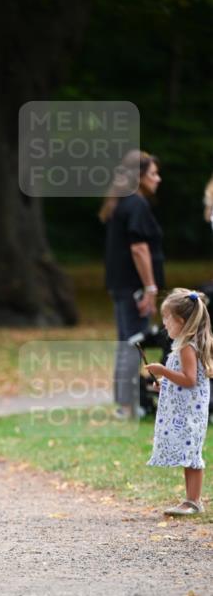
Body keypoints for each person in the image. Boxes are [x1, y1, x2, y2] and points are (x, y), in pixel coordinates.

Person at [100, 150, 164, 419]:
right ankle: (128, 406)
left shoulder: (121, 204)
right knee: (133, 342)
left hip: (120, 286)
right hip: (133, 287)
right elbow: (139, 248)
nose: (158, 179)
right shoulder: (136, 205)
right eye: (152, 174)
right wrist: (149, 287)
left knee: (126, 342)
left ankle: (125, 404)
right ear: (138, 177)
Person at [146, 289, 213, 515]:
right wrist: (165, 384)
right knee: (189, 454)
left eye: (167, 318)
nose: (164, 324)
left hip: (189, 413)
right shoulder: (185, 345)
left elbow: (190, 379)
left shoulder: (186, 347)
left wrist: (162, 370)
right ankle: (190, 500)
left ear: (181, 321)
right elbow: (183, 379)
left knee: (192, 455)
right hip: (187, 410)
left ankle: (194, 501)